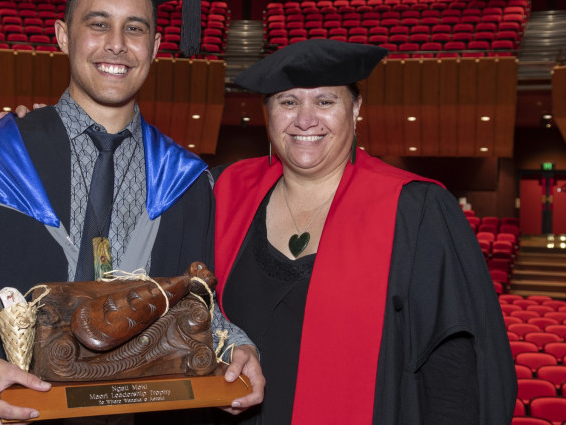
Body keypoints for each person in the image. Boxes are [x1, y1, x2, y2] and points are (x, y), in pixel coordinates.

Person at [0, 0, 263, 424]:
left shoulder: (185, 179)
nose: (117, 45)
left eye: (135, 28)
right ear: (64, 35)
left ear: (157, 44)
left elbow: (197, 305)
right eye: (98, 24)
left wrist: (238, 345)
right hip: (18, 412)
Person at [212, 39, 517, 424]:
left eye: (325, 101)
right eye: (288, 102)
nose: (305, 119)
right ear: (266, 112)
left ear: (355, 108)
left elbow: (453, 366)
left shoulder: (415, 209)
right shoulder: (223, 191)